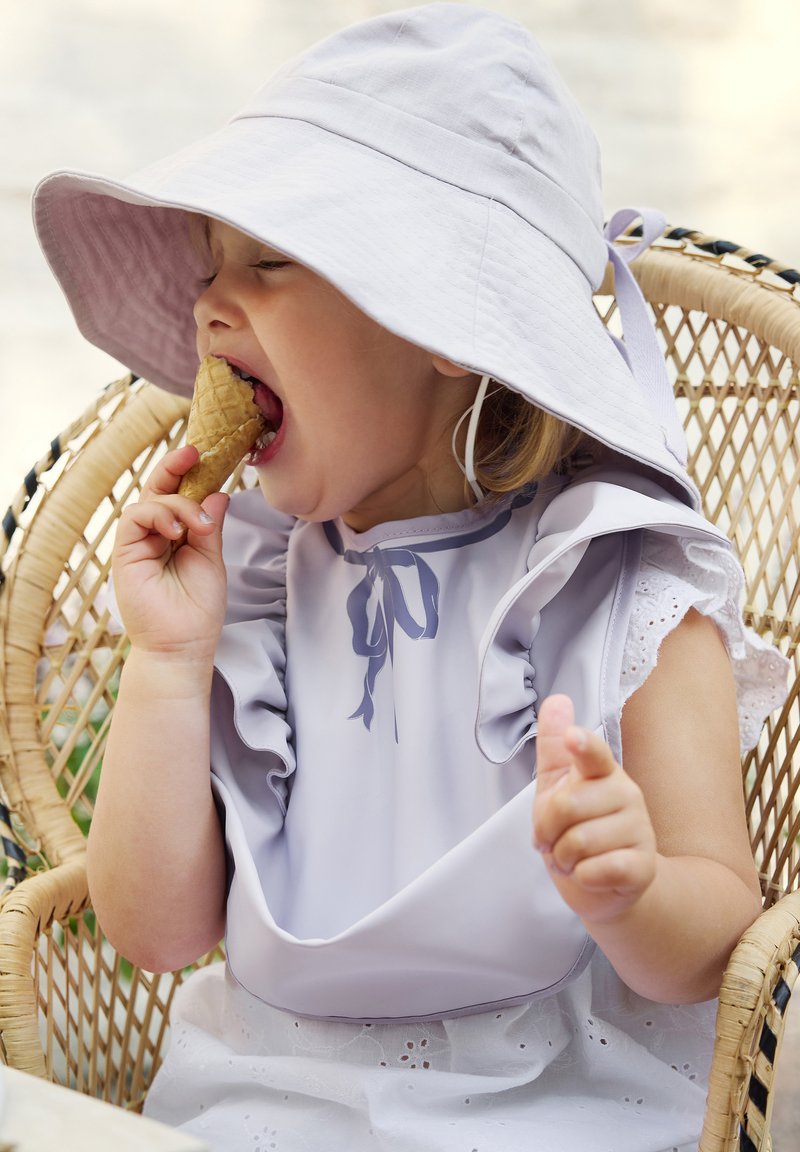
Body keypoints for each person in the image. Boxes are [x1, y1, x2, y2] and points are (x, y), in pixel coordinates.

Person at [33, 5, 788, 1150]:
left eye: (269, 260)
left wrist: (630, 888)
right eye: (209, 265)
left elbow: (715, 945)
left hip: (554, 1107)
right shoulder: (255, 582)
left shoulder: (615, 580)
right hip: (267, 1105)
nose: (206, 305)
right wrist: (169, 662)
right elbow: (154, 932)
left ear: (446, 319)